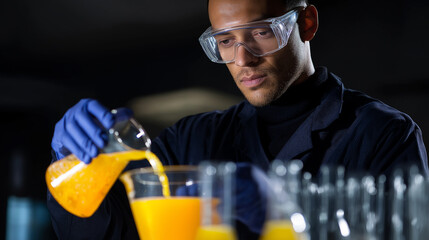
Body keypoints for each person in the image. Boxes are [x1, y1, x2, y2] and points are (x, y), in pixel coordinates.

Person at [48, 0, 428, 239]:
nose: (243, 60)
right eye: (225, 41)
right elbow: (106, 232)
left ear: (306, 23)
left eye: (261, 32)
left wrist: (285, 218)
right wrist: (74, 163)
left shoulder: (383, 134)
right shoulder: (191, 140)